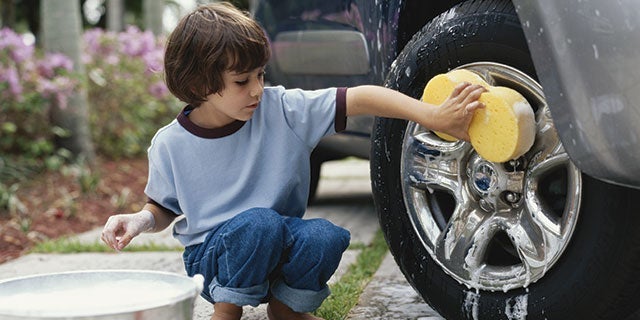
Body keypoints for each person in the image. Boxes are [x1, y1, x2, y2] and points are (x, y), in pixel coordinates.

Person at [101, 2, 485, 320]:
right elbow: (163, 208)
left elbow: (361, 98)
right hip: (214, 256)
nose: (257, 89)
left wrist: (431, 115)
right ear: (201, 84)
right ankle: (227, 310)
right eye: (242, 81)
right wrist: (138, 220)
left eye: (260, 75)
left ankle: (287, 310)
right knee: (258, 223)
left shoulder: (282, 109)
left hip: (277, 238)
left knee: (324, 235)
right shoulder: (171, 144)